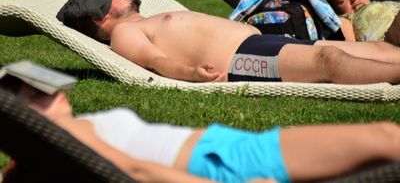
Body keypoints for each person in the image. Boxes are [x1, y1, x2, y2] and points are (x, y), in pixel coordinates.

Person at [2, 64, 400, 183]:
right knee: (387, 138)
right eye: (40, 95)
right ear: (24, 115)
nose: (58, 94)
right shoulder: (68, 134)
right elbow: (134, 170)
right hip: (228, 162)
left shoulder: (43, 156)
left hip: (226, 154)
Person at [57, 0, 400, 84]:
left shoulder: (151, 18)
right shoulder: (123, 35)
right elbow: (156, 62)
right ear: (98, 17)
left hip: (262, 44)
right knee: (331, 60)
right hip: (244, 61)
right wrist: (191, 74)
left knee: (380, 49)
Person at [317, 0, 400, 44]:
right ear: (335, 9)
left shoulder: (387, 4)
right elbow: (352, 50)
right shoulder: (345, 20)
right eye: (342, 0)